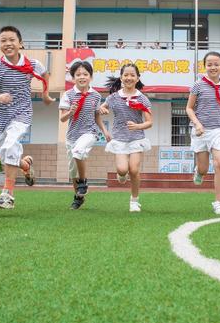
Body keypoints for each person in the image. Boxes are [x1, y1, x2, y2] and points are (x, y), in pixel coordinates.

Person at [0, 26, 53, 210]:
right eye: (3, 40)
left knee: (10, 145)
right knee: (5, 153)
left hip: (22, 113)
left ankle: (8, 195)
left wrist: (45, 94)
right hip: (0, 116)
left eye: (11, 40)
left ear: (20, 43)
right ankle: (25, 164)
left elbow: (45, 74)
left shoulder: (31, 64)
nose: (8, 44)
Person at [186, 51, 220, 215]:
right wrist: (197, 124)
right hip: (201, 131)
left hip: (219, 130)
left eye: (216, 64)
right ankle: (199, 172)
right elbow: (189, 108)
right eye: (209, 64)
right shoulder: (198, 85)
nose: (213, 67)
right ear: (205, 66)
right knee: (203, 168)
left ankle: (219, 202)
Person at [99, 63, 152, 212]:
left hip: (136, 138)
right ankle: (121, 175)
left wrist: (137, 126)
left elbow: (149, 122)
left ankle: (134, 201)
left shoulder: (142, 98)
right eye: (126, 75)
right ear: (121, 77)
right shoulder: (113, 97)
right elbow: (103, 107)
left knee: (134, 170)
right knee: (122, 170)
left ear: (137, 78)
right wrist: (102, 108)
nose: (129, 78)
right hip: (120, 139)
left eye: (132, 75)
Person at [59, 61, 109, 210]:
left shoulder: (96, 95)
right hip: (72, 136)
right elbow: (62, 118)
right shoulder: (68, 95)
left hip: (90, 132)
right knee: (73, 170)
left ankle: (83, 182)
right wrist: (71, 112)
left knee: (78, 152)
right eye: (78, 74)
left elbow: (96, 116)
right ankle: (78, 197)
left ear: (91, 77)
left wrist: (105, 131)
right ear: (73, 77)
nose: (82, 77)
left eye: (85, 74)